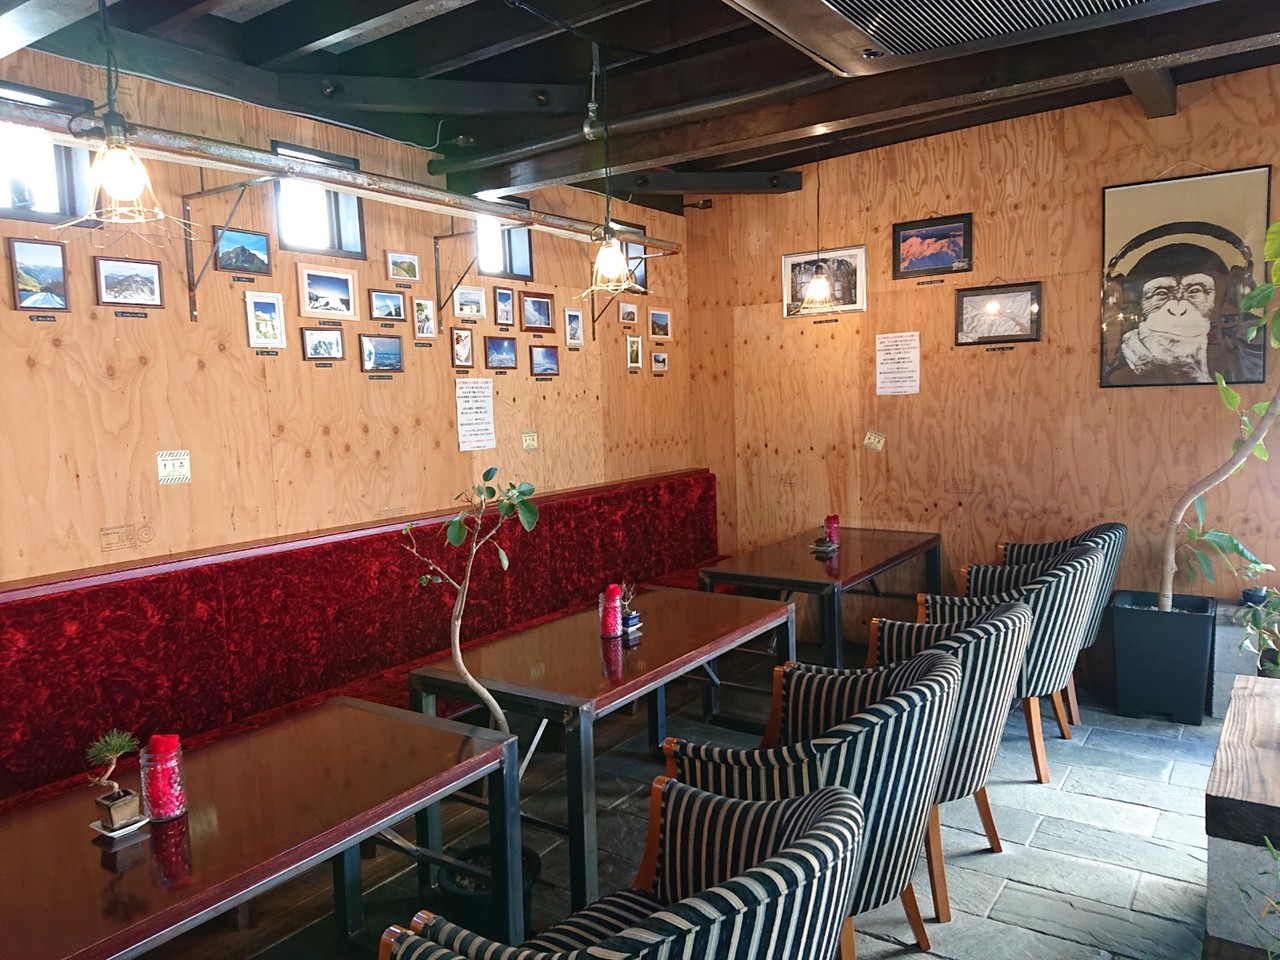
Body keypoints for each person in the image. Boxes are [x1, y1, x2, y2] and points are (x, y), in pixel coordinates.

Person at [1104, 241, 1263, 386]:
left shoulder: (1253, 341)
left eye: (1195, 291)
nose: (1178, 309)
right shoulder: (1114, 353)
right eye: (1161, 293)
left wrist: (1189, 373)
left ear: (1227, 294)